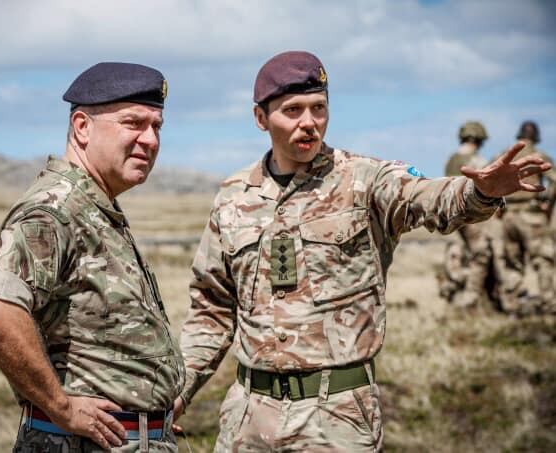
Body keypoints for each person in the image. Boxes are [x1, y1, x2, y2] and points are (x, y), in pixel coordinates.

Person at [172, 51, 552, 452]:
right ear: (260, 118)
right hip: (247, 419)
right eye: (293, 110)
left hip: (337, 418)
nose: (309, 123)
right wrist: (180, 391)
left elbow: (427, 197)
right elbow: (212, 309)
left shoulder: (365, 180)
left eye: (319, 108)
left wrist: (479, 191)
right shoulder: (234, 197)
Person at [0, 62, 185, 453]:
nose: (150, 139)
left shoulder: (95, 207)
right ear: (82, 127)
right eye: (133, 123)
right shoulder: (56, 208)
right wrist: (62, 408)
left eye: (157, 127)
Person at [494, 121, 556, 315]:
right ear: (536, 136)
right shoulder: (540, 156)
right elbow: (555, 181)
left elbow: (490, 181)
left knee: (513, 263)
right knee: (543, 261)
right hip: (532, 216)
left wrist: (498, 206)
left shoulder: (503, 157)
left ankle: (512, 307)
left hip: (509, 217)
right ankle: (549, 305)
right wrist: (547, 204)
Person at [439, 121, 497, 308]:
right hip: (473, 216)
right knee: (481, 254)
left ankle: (452, 293)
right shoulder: (478, 162)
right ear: (478, 139)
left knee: (456, 254)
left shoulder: (451, 160)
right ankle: (470, 299)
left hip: (451, 215)